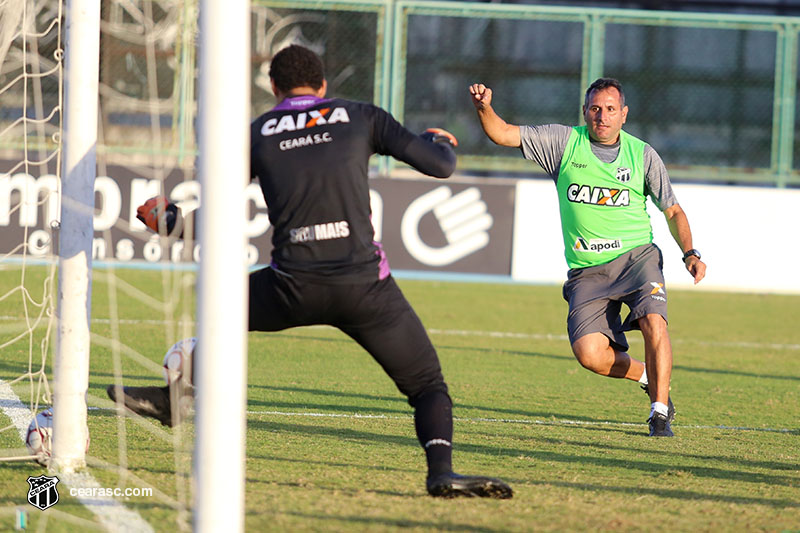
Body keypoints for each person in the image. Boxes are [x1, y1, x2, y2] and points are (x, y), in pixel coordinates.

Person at [107, 44, 513, 499]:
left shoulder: (258, 133)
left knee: (219, 308)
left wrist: (170, 221)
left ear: (274, 88)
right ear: (323, 85)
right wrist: (442, 142)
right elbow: (440, 167)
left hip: (291, 285)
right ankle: (441, 471)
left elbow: (215, 216)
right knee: (427, 386)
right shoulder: (360, 116)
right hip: (365, 288)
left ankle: (174, 399)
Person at [468, 78, 706, 437]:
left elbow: (672, 210)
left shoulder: (642, 155)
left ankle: (659, 413)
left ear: (624, 114)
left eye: (610, 109)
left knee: (654, 321)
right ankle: (647, 374)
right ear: (584, 112)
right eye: (595, 109)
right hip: (587, 271)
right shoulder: (563, 143)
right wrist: (484, 107)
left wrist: (689, 252)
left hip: (637, 259)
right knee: (590, 354)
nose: (602, 116)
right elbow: (501, 133)